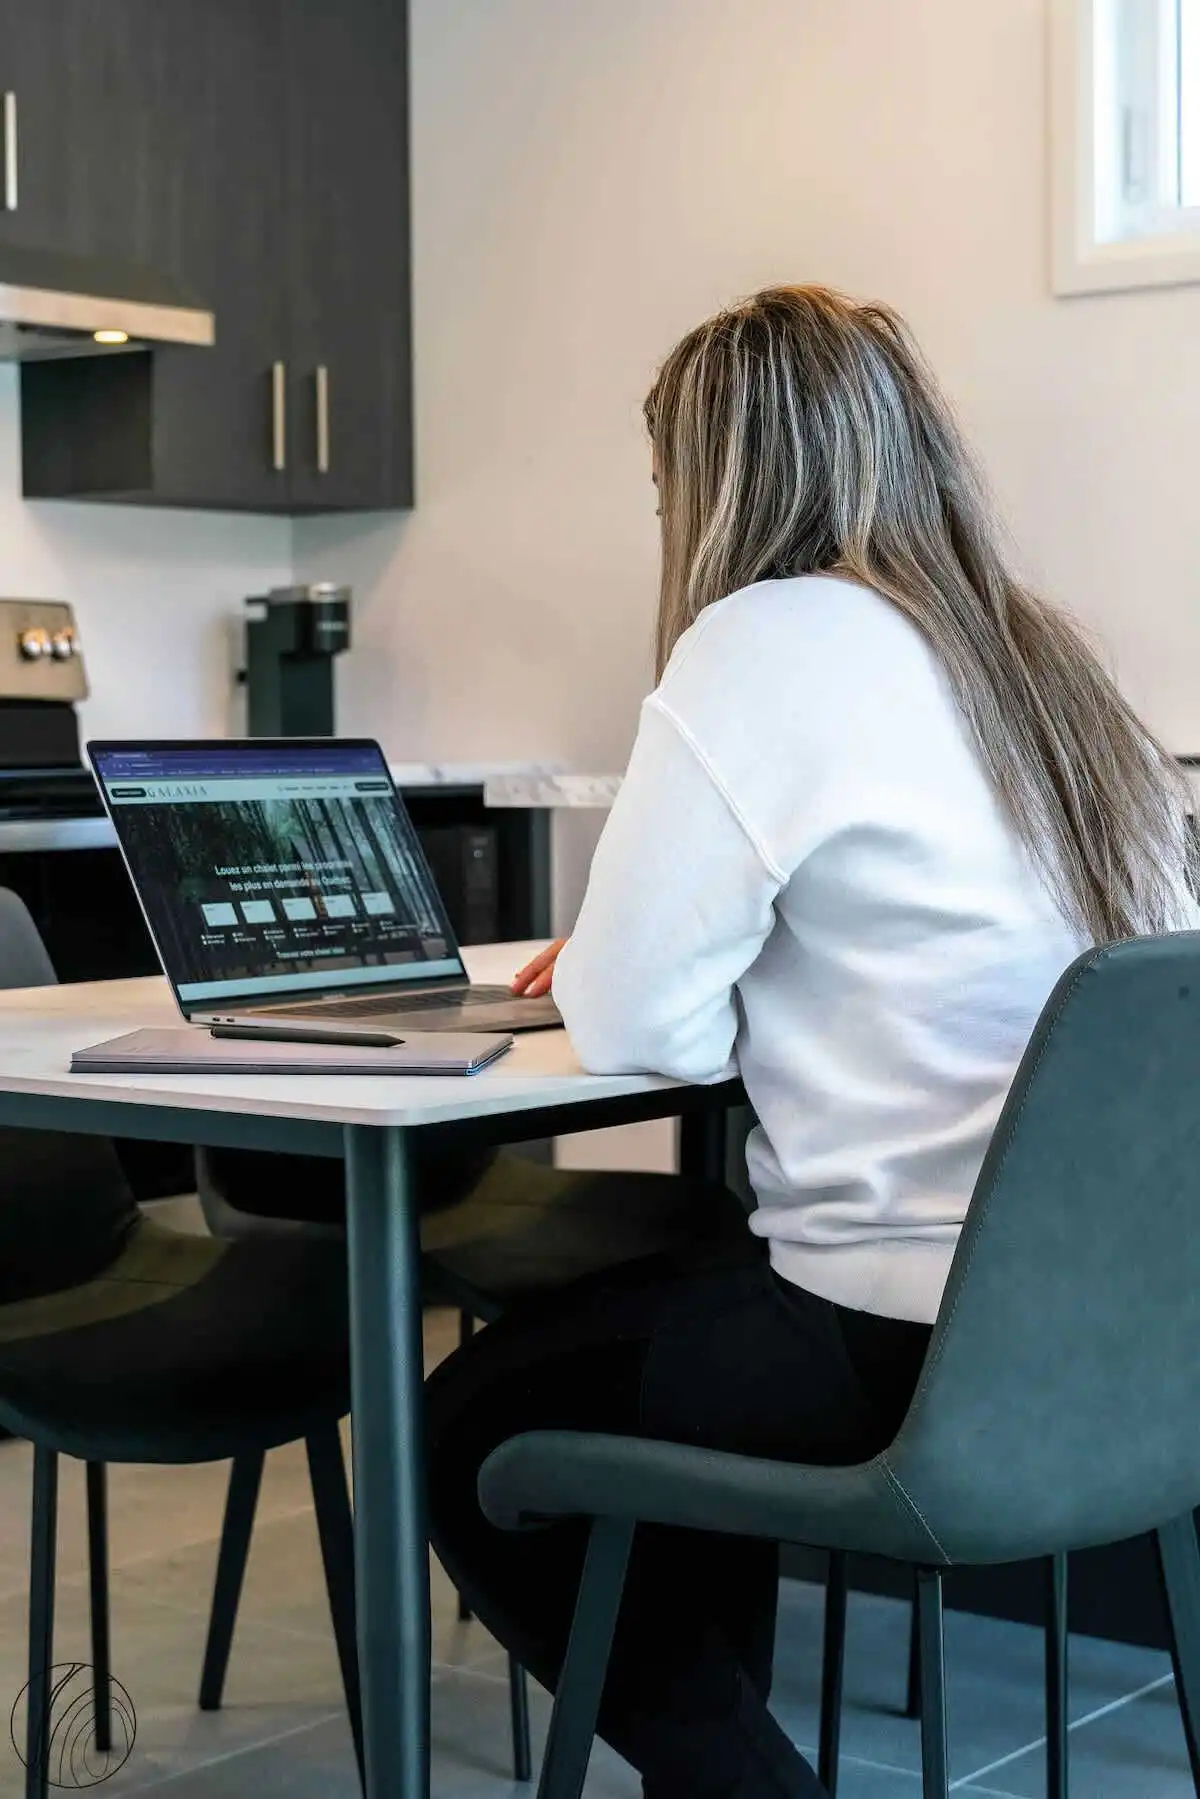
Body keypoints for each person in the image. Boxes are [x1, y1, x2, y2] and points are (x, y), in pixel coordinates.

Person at [424, 285, 1198, 1799]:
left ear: (722, 481)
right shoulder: (1041, 662)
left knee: (471, 1426)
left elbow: (636, 1021)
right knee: (681, 1309)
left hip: (901, 1352)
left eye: (668, 479)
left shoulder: (765, 639)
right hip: (1127, 1350)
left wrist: (664, 960)